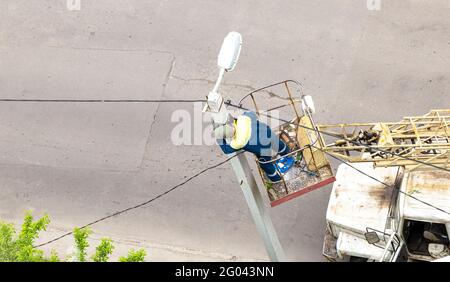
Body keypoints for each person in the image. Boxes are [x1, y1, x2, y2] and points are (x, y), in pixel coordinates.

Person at [215, 111, 294, 182]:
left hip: (264, 149)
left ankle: (276, 179)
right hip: (268, 134)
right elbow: (252, 114)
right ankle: (288, 155)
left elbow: (226, 150)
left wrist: (219, 138)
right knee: (279, 145)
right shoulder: (243, 119)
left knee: (265, 164)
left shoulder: (238, 142)